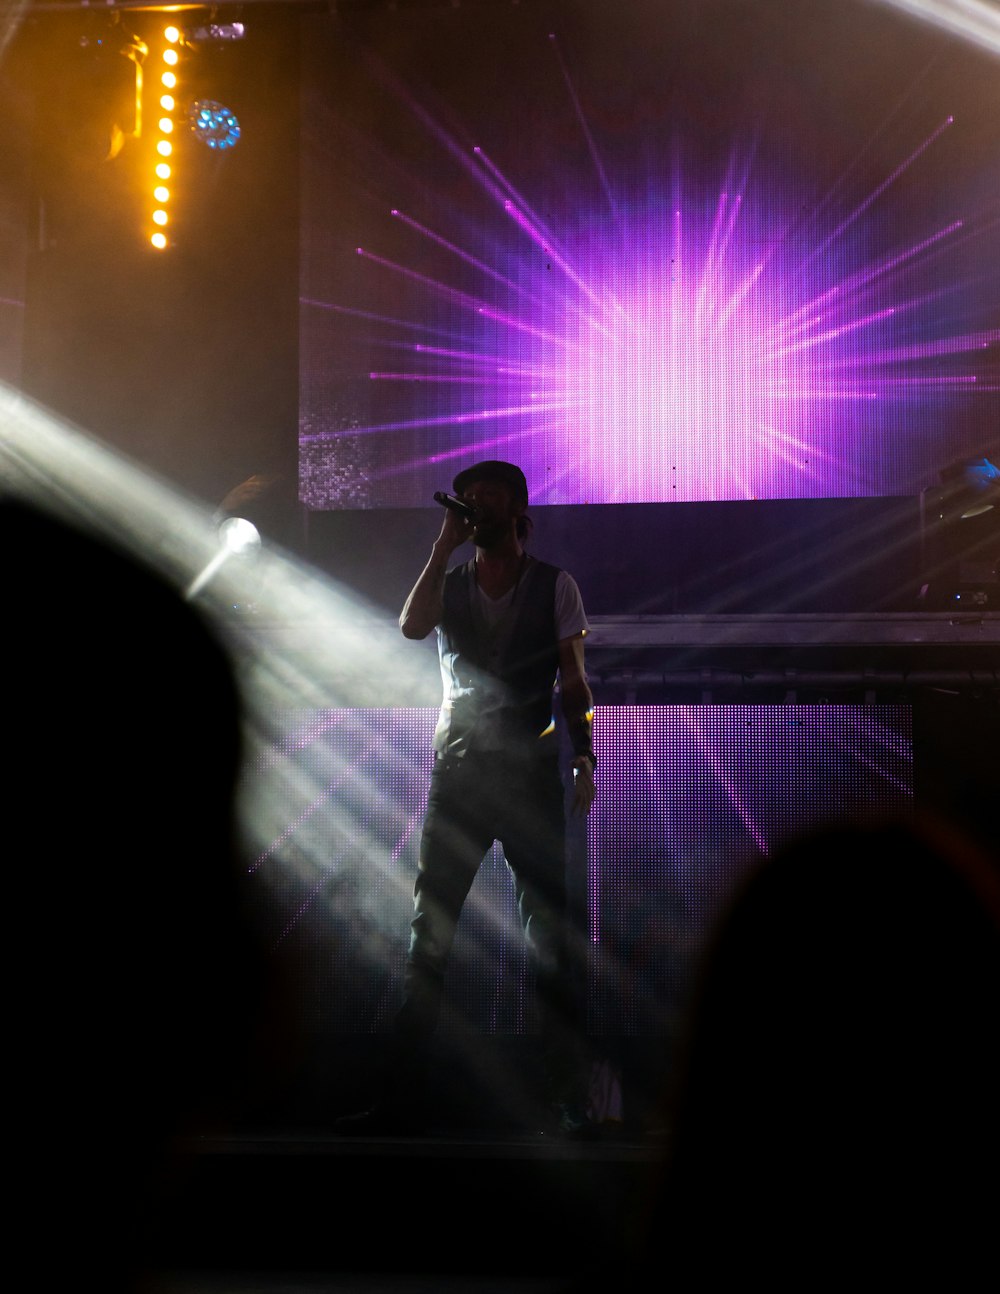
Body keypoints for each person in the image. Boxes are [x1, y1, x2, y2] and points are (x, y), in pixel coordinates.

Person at [346, 460, 596, 1133]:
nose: (475, 509)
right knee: (430, 933)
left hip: (529, 778)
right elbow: (410, 627)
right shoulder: (449, 580)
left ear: (515, 509)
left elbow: (573, 680)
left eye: (488, 500)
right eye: (470, 500)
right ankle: (400, 1095)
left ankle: (567, 1095)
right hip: (458, 775)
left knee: (550, 938)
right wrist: (440, 545)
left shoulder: (553, 585)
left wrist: (586, 754)